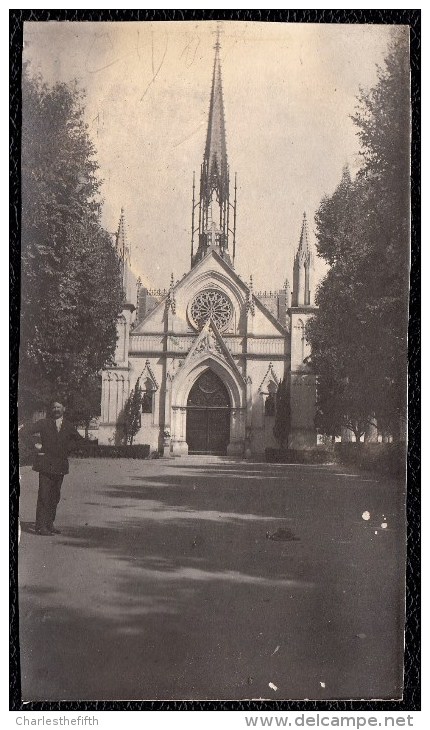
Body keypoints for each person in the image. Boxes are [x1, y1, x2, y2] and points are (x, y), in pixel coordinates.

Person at [20, 400, 85, 536]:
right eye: (54, 407)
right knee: (44, 495)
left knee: (55, 496)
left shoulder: (68, 426)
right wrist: (35, 445)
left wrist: (67, 449)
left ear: (64, 409)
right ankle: (40, 526)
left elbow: (79, 441)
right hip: (45, 464)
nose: (56, 409)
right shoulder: (44, 423)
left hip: (60, 465)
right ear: (51, 409)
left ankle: (49, 524)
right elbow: (24, 431)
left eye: (59, 407)